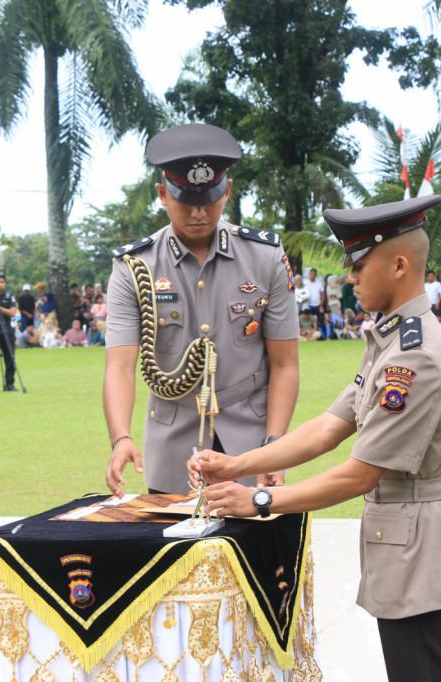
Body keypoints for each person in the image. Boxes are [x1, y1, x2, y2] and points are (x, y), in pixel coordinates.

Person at [190, 195, 441, 682]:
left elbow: (360, 473)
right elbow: (328, 427)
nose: (351, 277)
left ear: (400, 265)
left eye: (360, 264)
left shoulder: (413, 358)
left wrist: (261, 500)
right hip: (408, 545)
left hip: (422, 552)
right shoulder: (391, 341)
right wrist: (235, 465)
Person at [104, 123, 299, 496]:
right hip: (173, 440)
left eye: (209, 200)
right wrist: (120, 438)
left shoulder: (265, 257)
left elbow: (285, 363)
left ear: (226, 190)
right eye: (185, 201)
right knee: (175, 551)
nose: (199, 213)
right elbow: (120, 365)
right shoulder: (134, 268)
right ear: (162, 194)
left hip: (251, 441)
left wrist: (275, 444)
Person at [304, 268, 327, 338]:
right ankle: (309, 335)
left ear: (316, 275)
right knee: (310, 320)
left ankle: (322, 336)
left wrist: (321, 305)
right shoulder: (305, 282)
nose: (313, 275)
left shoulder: (319, 282)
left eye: (314, 274)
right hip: (308, 305)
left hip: (317, 305)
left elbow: (323, 293)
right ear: (309, 274)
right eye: (311, 274)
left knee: (320, 321)